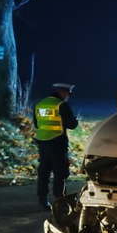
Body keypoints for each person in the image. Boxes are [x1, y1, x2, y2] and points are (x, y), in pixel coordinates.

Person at [33, 82, 78, 210]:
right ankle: (60, 201)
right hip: (57, 143)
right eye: (68, 93)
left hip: (43, 144)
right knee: (60, 173)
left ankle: (43, 200)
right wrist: (75, 120)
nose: (69, 96)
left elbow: (37, 124)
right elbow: (72, 125)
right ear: (62, 92)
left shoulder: (40, 104)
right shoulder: (61, 105)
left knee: (44, 173)